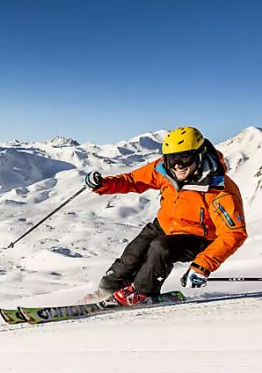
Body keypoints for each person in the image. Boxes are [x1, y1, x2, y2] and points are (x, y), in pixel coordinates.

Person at [83, 126, 247, 306]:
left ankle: (141, 292)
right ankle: (107, 290)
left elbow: (233, 233)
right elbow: (132, 180)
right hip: (164, 224)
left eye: (184, 157)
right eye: (171, 158)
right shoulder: (164, 170)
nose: (177, 165)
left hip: (198, 236)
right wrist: (102, 184)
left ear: (199, 155)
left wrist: (202, 266)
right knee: (132, 255)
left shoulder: (220, 190)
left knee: (161, 248)